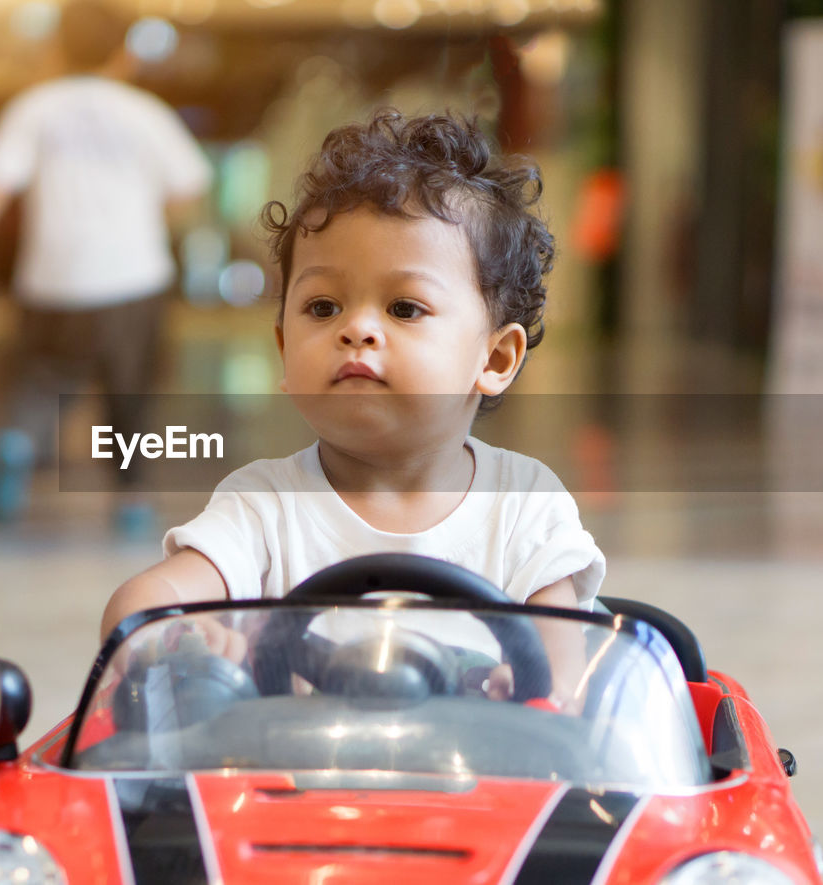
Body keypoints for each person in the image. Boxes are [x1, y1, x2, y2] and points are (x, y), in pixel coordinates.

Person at [100, 110, 606, 708]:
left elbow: (563, 672)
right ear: (285, 350)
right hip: (297, 790)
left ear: (495, 359)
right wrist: (179, 635)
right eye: (322, 308)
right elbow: (139, 606)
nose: (357, 328)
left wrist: (543, 690)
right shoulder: (264, 506)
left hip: (478, 791)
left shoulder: (524, 505)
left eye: (404, 308)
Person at [0, 0, 212, 529]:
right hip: (132, 277)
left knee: (38, 379)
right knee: (127, 392)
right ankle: (131, 500)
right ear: (125, 54)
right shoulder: (144, 112)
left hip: (52, 278)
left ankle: (16, 445)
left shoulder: (35, 108)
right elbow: (190, 190)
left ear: (58, 48)